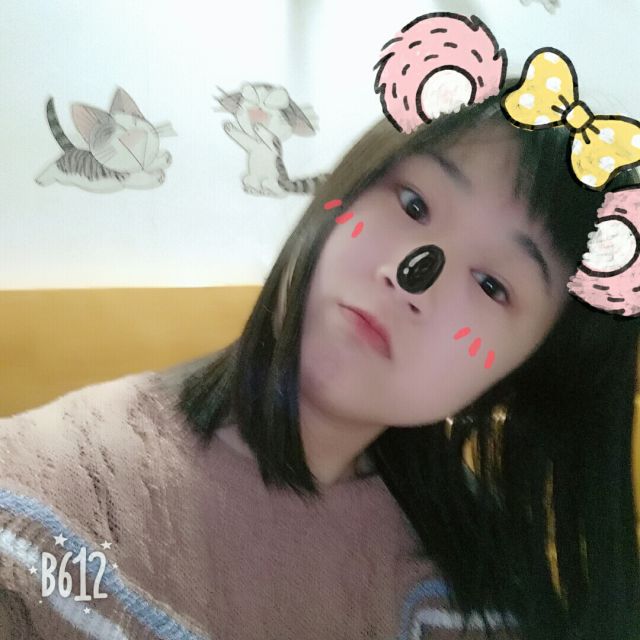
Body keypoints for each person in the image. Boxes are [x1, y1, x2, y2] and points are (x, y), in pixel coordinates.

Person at [1, 80, 639, 640]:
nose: (411, 278)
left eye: (492, 285)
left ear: (518, 376)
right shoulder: (42, 505)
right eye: (413, 205)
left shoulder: (479, 582)